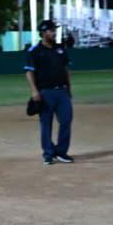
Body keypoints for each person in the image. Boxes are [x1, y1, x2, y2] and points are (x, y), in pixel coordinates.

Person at [24, 19, 74, 165]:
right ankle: (48, 153)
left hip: (62, 92)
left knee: (66, 121)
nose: (54, 33)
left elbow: (66, 69)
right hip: (45, 93)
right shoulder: (34, 51)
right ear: (43, 33)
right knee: (46, 124)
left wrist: (69, 88)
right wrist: (34, 91)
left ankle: (61, 152)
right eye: (51, 30)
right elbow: (29, 72)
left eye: (54, 30)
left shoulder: (60, 49)